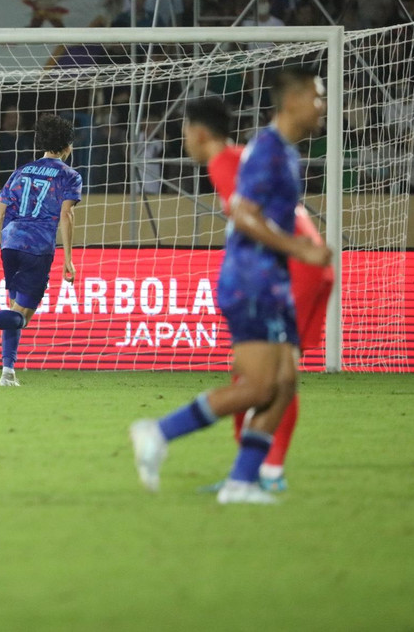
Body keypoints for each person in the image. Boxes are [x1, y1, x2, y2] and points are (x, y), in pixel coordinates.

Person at [130, 69, 333, 505]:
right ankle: (160, 432)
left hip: (272, 276)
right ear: (293, 100)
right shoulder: (263, 153)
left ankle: (244, 482)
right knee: (261, 385)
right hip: (253, 278)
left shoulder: (281, 153)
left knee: (283, 383)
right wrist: (302, 249)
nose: (323, 105)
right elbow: (242, 215)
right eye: (317, 97)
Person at [180, 95, 333, 492]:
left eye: (183, 131)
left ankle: (258, 473)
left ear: (197, 133)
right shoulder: (237, 158)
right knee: (272, 374)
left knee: (269, 376)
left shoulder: (225, 163)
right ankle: (255, 471)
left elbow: (251, 218)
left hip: (295, 265)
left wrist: (296, 251)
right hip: (303, 263)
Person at [0, 115, 81, 387]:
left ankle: (7, 373)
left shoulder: (21, 172)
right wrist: (68, 259)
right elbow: (66, 215)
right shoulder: (69, 176)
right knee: (20, 317)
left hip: (10, 244)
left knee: (14, 308)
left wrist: (16, 231)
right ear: (68, 146)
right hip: (38, 248)